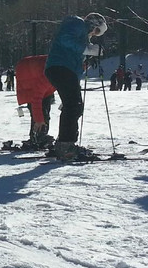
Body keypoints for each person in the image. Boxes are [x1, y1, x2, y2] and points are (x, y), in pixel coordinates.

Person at [44, 12, 107, 161]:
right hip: (61, 67)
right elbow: (65, 40)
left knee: (72, 105)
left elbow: (72, 45)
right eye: (97, 30)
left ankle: (63, 143)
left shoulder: (80, 32)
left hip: (62, 68)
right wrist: (87, 49)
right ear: (93, 24)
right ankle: (66, 145)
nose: (94, 34)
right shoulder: (77, 23)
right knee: (74, 105)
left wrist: (88, 49)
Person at [13, 55, 56, 151]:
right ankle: (38, 137)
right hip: (31, 80)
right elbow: (36, 99)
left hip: (34, 75)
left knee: (44, 111)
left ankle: (38, 136)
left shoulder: (59, 69)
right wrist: (39, 119)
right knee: (40, 113)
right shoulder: (49, 76)